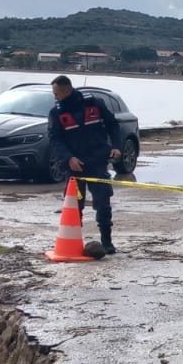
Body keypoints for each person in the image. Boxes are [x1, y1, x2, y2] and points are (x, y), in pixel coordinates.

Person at [47, 76, 122, 254]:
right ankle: (74, 242)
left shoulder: (94, 103)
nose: (55, 97)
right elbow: (54, 139)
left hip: (97, 162)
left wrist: (117, 146)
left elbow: (113, 125)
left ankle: (107, 242)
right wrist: (68, 158)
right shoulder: (56, 113)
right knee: (74, 206)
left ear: (66, 90)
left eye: (56, 93)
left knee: (103, 203)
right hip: (74, 167)